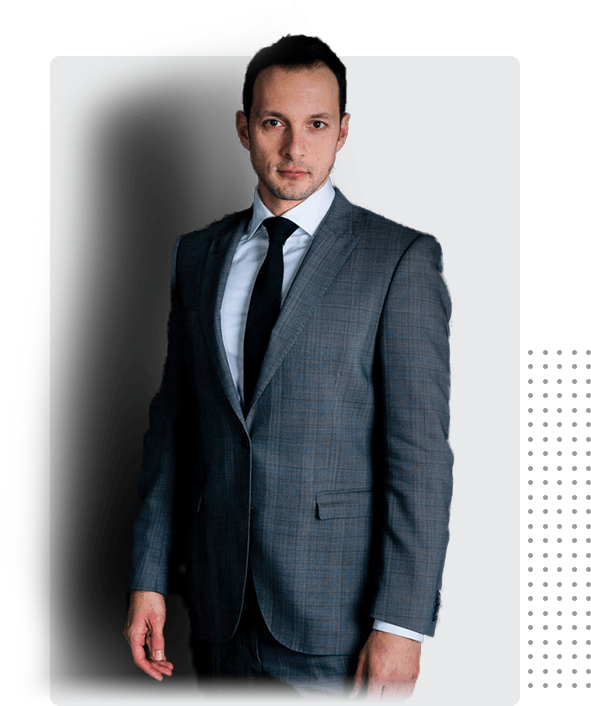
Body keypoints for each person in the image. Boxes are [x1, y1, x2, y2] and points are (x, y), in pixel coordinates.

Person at [123, 35, 453, 700]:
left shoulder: (398, 260)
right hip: (216, 608)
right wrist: (149, 576)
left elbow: (418, 457)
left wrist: (401, 626)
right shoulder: (197, 255)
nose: (295, 148)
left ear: (343, 131)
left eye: (316, 125)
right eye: (274, 122)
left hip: (336, 621)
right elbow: (173, 429)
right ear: (244, 128)